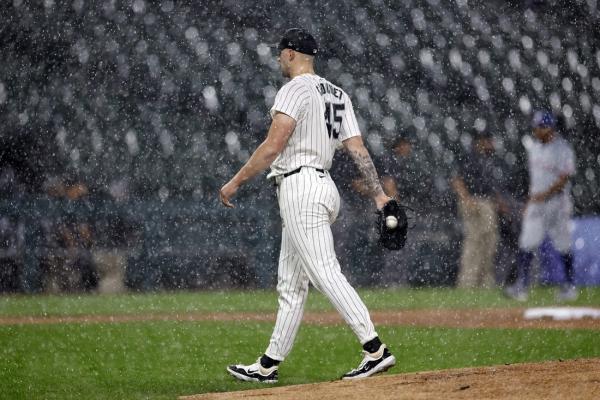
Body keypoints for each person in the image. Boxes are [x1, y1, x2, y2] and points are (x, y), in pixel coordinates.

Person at [219, 28, 396, 382]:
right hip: (322, 186)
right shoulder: (338, 93)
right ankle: (268, 365)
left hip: (300, 186)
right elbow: (357, 149)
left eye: (280, 53)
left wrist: (236, 181)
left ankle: (375, 348)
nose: (278, 59)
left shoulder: (294, 89)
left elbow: (273, 146)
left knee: (325, 273)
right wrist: (379, 195)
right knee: (291, 283)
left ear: (289, 54)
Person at [504, 111, 578, 301]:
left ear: (549, 128)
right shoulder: (534, 148)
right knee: (526, 243)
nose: (536, 130)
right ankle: (522, 286)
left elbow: (564, 179)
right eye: (536, 127)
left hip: (557, 203)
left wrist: (542, 195)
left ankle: (569, 286)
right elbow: (535, 180)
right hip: (537, 203)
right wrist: (531, 200)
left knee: (563, 244)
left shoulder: (563, 149)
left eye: (540, 127)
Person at [450, 133, 500, 288]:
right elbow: (456, 180)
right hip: (474, 201)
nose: (491, 144)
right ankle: (468, 282)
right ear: (481, 141)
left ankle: (484, 282)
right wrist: (466, 199)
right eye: (489, 140)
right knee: (474, 242)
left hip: (486, 202)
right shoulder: (469, 157)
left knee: (490, 242)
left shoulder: (488, 159)